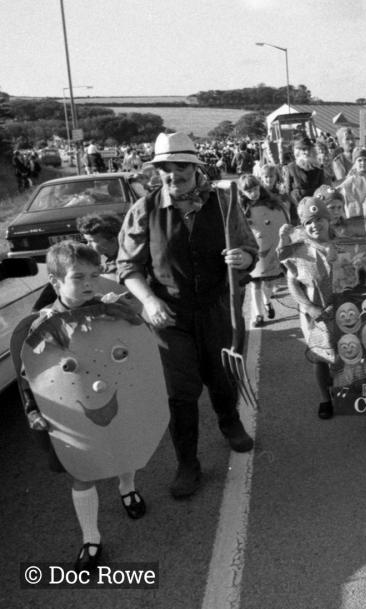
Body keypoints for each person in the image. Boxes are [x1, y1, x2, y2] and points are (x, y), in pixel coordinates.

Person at [118, 132, 258, 499]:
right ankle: (187, 463)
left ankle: (230, 423)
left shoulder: (224, 203)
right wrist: (149, 301)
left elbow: (249, 247)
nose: (172, 175)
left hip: (217, 309)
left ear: (195, 168)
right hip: (170, 316)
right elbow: (127, 267)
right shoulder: (144, 210)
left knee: (222, 376)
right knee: (181, 392)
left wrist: (244, 257)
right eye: (165, 169)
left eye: (180, 167)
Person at [13, 242, 154, 572]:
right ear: (55, 281)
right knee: (82, 471)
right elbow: (30, 376)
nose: (89, 283)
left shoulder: (111, 313)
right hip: (74, 406)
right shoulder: (42, 327)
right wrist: (33, 410)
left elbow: (139, 352)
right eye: (78, 277)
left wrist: (125, 315)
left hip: (116, 396)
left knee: (124, 451)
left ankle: (127, 489)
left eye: (94, 275)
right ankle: (91, 538)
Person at [282, 197, 340, 420]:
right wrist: (309, 307)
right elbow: (292, 283)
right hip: (315, 315)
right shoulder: (299, 251)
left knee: (348, 352)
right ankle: (325, 398)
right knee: (319, 357)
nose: (314, 225)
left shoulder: (344, 245)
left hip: (344, 311)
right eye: (308, 222)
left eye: (318, 219)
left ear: (328, 219)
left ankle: (347, 390)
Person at [238, 174, 289, 327]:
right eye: (249, 191)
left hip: (270, 249)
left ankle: (267, 302)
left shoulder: (272, 204)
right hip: (254, 251)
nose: (254, 193)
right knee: (255, 285)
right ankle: (258, 315)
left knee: (268, 283)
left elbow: (280, 223)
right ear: (243, 193)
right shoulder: (241, 209)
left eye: (255, 189)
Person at [283, 137, 327, 222]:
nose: (306, 152)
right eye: (303, 149)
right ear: (297, 151)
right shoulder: (290, 167)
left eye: (308, 149)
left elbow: (322, 189)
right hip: (297, 207)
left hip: (315, 207)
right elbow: (288, 191)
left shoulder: (318, 168)